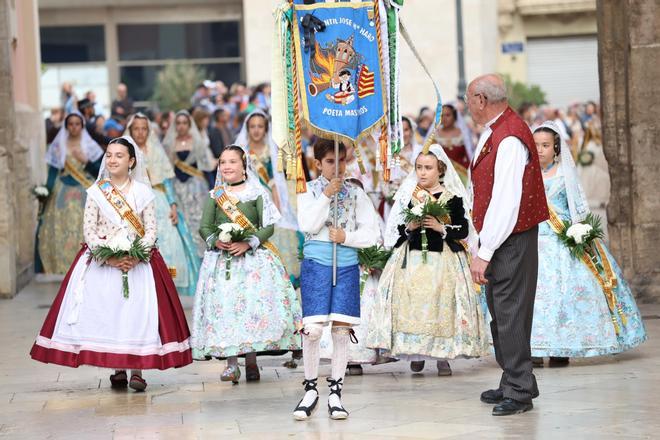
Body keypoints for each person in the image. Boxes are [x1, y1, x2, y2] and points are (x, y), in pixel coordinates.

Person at [30, 136, 193, 391]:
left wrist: (136, 254)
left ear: (131, 161)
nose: (112, 159)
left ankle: (138, 370)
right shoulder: (96, 193)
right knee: (111, 314)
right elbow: (89, 231)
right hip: (104, 263)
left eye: (119, 155)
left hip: (138, 263)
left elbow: (151, 230)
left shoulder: (143, 192)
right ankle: (117, 368)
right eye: (109, 155)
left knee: (138, 314)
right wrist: (111, 256)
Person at [466, 74, 549, 416]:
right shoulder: (496, 131)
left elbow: (506, 201)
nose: (467, 105)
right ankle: (513, 379)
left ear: (482, 100)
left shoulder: (510, 137)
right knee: (501, 313)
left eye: (470, 98)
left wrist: (485, 252)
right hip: (501, 236)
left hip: (511, 238)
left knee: (511, 311)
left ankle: (519, 390)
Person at [367, 144, 490, 376]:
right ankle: (416, 353)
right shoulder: (409, 195)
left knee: (441, 305)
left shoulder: (452, 198)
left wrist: (441, 227)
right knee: (413, 305)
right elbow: (396, 229)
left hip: (444, 261)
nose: (422, 172)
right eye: (419, 167)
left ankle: (443, 356)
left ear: (440, 169)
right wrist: (409, 226)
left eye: (428, 168)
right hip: (411, 260)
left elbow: (463, 229)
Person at [530, 121, 646, 365]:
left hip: (562, 241)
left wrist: (580, 232)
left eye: (545, 145)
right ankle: (534, 349)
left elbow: (576, 208)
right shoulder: (524, 175)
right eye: (536, 145)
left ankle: (562, 348)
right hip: (533, 241)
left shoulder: (564, 175)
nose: (540, 149)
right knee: (534, 296)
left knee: (566, 294)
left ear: (556, 148)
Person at [191, 145, 302, 383]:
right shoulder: (215, 195)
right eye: (223, 162)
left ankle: (251, 362)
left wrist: (248, 243)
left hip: (253, 262)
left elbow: (268, 226)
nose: (227, 166)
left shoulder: (257, 192)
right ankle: (232, 364)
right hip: (223, 264)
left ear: (244, 166)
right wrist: (216, 241)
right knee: (228, 309)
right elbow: (205, 227)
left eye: (232, 162)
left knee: (251, 310)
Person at [293, 139, 380, 421]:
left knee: (342, 332)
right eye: (330, 161)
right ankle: (310, 389)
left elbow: (372, 233)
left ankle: (336, 392)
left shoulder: (356, 192)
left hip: (346, 266)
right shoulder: (307, 191)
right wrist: (327, 196)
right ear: (318, 163)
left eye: (342, 161)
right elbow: (307, 225)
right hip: (317, 265)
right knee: (314, 329)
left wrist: (347, 238)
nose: (337, 167)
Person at [126, 113, 201, 296]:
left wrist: (173, 205)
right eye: (136, 128)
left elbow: (166, 181)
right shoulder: (125, 151)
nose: (140, 132)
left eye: (144, 128)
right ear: (130, 130)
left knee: (169, 240)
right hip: (134, 201)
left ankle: (167, 282)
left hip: (159, 201)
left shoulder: (155, 150)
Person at [235, 109, 302, 286]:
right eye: (252, 126)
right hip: (246, 199)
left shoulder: (271, 150)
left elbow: (275, 180)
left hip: (268, 198)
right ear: (247, 128)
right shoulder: (241, 151)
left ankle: (276, 279)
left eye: (260, 126)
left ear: (266, 129)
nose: (256, 130)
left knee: (275, 236)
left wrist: (278, 204)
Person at [36, 112, 104, 275]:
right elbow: (53, 171)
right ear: (66, 126)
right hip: (62, 191)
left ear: (82, 126)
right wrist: (46, 192)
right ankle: (61, 266)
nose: (74, 127)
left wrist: (85, 161)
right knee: (58, 228)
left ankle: (86, 266)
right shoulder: (59, 145)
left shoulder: (90, 146)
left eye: (77, 124)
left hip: (84, 191)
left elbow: (99, 172)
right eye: (70, 124)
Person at [162, 110, 211, 256]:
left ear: (189, 125)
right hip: (178, 187)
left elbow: (205, 166)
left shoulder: (197, 142)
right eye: (178, 123)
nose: (181, 126)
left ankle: (202, 254)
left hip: (196, 187)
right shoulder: (170, 144)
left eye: (184, 123)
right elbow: (168, 168)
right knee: (184, 221)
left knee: (198, 219)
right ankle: (187, 254)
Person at [433, 104, 471, 181]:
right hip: (441, 175)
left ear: (454, 116)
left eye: (448, 115)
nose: (444, 118)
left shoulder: (463, 133)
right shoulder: (434, 135)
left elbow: (469, 154)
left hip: (460, 174)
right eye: (442, 115)